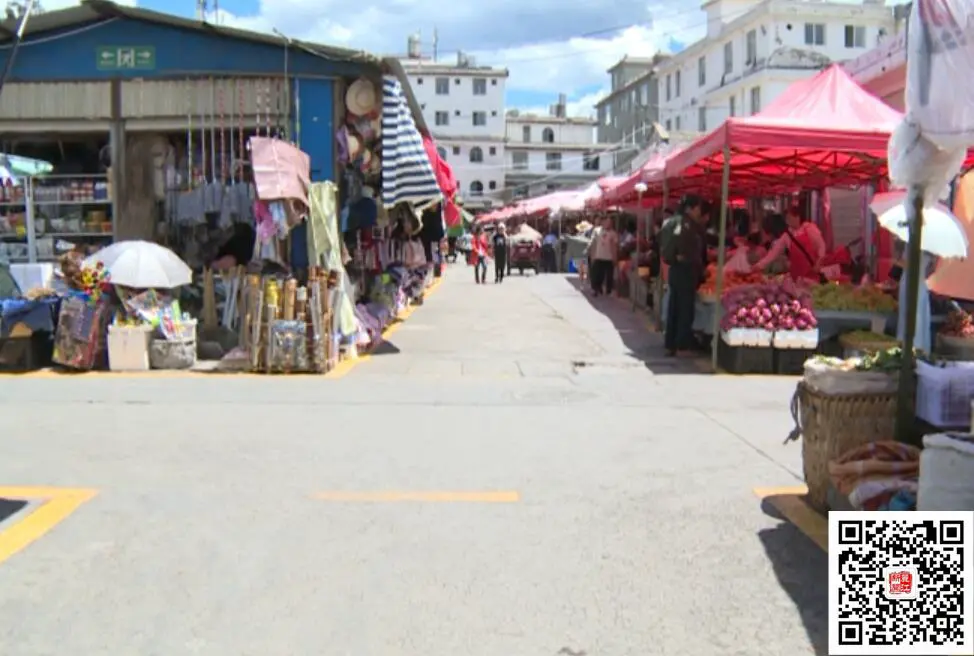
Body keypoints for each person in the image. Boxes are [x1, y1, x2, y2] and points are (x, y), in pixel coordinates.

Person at [661, 195, 708, 356]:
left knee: (674, 307)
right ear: (690, 208)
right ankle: (682, 344)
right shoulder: (688, 225)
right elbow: (693, 251)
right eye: (698, 208)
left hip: (675, 270)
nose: (699, 212)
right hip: (687, 270)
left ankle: (670, 343)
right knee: (685, 309)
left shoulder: (672, 222)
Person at [750, 205, 826, 281]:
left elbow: (821, 246)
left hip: (812, 271)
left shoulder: (809, 228)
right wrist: (758, 266)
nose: (787, 221)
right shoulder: (787, 235)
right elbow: (773, 253)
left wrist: (819, 262)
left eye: (789, 218)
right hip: (796, 275)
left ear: (797, 217)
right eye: (787, 219)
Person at [894, 242, 937, 353]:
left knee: (908, 317)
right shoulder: (932, 247)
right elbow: (931, 270)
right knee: (919, 318)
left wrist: (899, 258)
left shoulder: (908, 241)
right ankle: (919, 350)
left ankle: (907, 349)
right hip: (920, 285)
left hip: (908, 283)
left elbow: (901, 262)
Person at [589, 218, 619, 296]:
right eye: (607, 222)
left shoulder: (613, 233)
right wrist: (592, 255)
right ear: (603, 222)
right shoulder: (597, 230)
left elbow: (614, 246)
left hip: (609, 257)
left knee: (609, 275)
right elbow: (593, 243)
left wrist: (615, 257)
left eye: (610, 222)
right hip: (599, 256)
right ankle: (596, 289)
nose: (608, 224)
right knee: (597, 274)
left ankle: (608, 290)